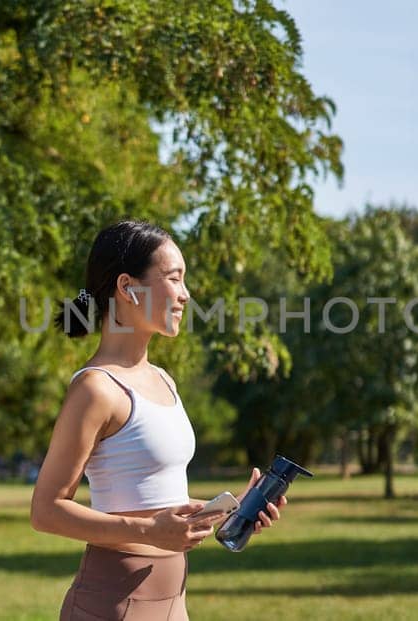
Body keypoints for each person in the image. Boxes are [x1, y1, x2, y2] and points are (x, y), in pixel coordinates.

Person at [31, 221, 288, 620]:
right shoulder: (96, 389)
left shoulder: (164, 380)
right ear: (127, 287)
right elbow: (46, 510)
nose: (186, 295)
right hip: (113, 605)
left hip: (174, 602)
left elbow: (156, 502)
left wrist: (234, 511)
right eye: (174, 278)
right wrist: (149, 532)